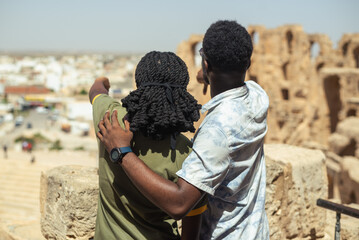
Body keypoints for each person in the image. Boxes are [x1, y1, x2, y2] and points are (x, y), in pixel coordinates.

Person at [98, 20, 270, 239]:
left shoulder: (217, 131)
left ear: (206, 64)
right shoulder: (257, 96)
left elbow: (179, 204)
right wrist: (208, 75)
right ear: (247, 63)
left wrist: (122, 151)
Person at [89, 51, 207, 240]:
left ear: (138, 85)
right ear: (182, 92)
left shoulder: (112, 120)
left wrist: (102, 80)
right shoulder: (186, 152)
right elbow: (191, 229)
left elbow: (96, 92)